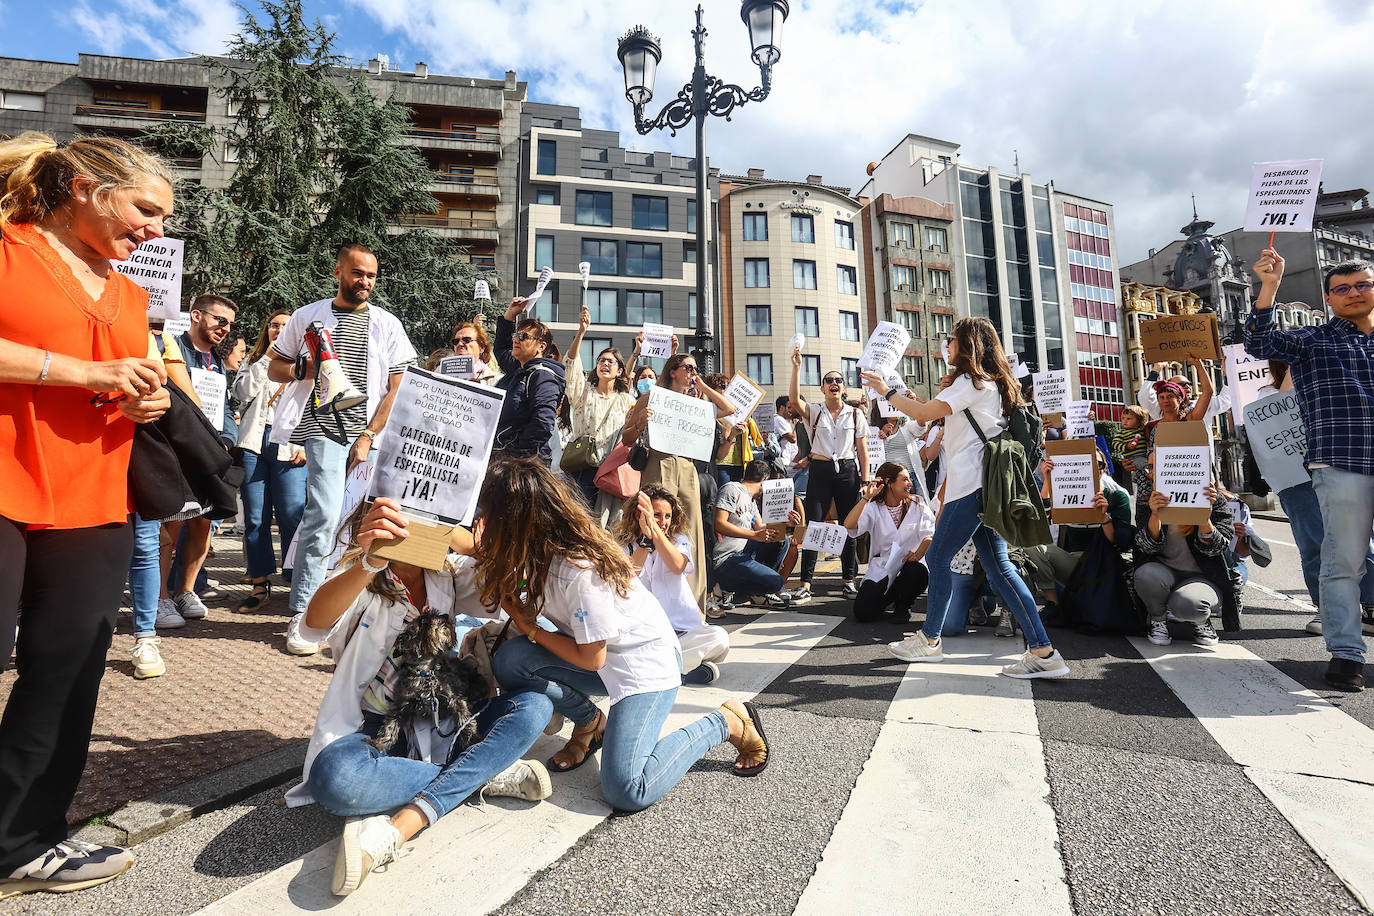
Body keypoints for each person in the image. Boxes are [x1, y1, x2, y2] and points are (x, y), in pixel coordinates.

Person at [0, 130, 174, 896]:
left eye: (165, 219)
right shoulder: (8, 248)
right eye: (147, 210)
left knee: (68, 671)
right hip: (3, 478)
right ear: (85, 189)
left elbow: (129, 384)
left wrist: (147, 401)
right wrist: (83, 371)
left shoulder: (132, 294)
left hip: (95, 496)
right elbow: (85, 370)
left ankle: (21, 844)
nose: (157, 230)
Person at [286, 498, 554, 897]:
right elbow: (311, 626)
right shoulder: (361, 573)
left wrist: (476, 547)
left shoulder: (445, 573)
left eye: (426, 515)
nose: (411, 522)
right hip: (375, 728)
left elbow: (511, 589)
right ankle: (484, 771)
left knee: (535, 705)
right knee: (335, 779)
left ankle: (432, 797)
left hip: (444, 718)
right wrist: (370, 561)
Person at [481, 459, 773, 810]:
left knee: (626, 789)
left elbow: (592, 658)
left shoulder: (577, 570)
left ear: (514, 522)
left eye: (487, 516)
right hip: (604, 658)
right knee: (510, 661)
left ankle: (726, 722)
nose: (480, 524)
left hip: (644, 666)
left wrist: (530, 627)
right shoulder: (536, 554)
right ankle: (591, 723)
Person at [864, 317, 1070, 679]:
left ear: (968, 346)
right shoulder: (991, 383)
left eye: (952, 339)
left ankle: (930, 639)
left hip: (970, 487)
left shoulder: (971, 383)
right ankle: (1043, 651)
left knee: (939, 557)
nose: (947, 344)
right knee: (999, 568)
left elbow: (925, 413)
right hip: (985, 487)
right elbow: (943, 414)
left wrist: (887, 391)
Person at [269, 243, 418, 657]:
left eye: (371, 275)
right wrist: (305, 368)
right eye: (357, 273)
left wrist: (369, 434)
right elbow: (275, 367)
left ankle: (351, 608)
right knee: (324, 513)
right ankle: (303, 612)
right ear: (338, 272)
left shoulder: (386, 323)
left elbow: (397, 387)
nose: (364, 281)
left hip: (371, 434)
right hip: (323, 428)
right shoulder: (307, 316)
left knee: (369, 522)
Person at [1245, 251, 1374, 690]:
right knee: (1343, 561)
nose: (1354, 293)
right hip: (1342, 461)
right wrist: (1269, 287)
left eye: (1363, 284)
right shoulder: (1312, 340)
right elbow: (1260, 344)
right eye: (1343, 288)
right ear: (1329, 299)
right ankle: (1347, 654)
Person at [1253, 360, 1374, 635]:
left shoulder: (1337, 386)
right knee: (1313, 543)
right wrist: (1298, 362)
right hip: (1296, 479)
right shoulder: (1266, 394)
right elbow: (1284, 404)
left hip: (1340, 469)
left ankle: (1371, 604)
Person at [620, 351, 738, 612]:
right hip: (659, 462)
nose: (692, 373)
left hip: (687, 468)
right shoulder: (652, 397)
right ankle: (649, 597)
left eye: (695, 369)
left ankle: (693, 602)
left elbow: (729, 409)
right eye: (688, 368)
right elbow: (627, 438)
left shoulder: (696, 402)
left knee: (690, 530)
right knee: (653, 525)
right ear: (672, 371)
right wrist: (640, 423)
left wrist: (702, 385)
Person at [615, 486, 728, 685]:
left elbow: (677, 566)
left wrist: (655, 532)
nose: (663, 522)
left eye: (667, 516)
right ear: (638, 515)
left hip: (681, 632)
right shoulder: (624, 546)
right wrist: (645, 541)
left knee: (719, 638)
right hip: (644, 635)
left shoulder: (678, 540)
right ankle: (681, 671)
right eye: (656, 515)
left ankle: (662, 670)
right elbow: (626, 579)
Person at [233, 309, 307, 612]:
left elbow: (314, 405)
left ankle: (294, 577)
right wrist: (267, 358)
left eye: (285, 326)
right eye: (274, 325)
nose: (278, 329)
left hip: (290, 444)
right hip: (254, 442)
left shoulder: (305, 364)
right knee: (255, 518)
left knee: (291, 513)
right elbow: (241, 393)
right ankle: (259, 584)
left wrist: (305, 444)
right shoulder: (254, 360)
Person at [787, 353, 871, 603]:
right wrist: (797, 367)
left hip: (847, 470)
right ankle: (805, 584)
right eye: (829, 380)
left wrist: (865, 482)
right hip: (820, 470)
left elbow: (862, 451)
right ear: (823, 388)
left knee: (848, 525)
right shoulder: (814, 412)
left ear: (843, 388)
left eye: (839, 380)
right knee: (814, 524)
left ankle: (848, 581)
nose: (834, 383)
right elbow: (794, 400)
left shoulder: (855, 415)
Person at [1131, 458, 1234, 648]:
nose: (1149, 472)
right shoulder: (1148, 500)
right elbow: (1145, 547)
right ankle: (1158, 619)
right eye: (1149, 467)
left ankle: (1201, 621)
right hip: (1164, 573)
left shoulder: (1213, 498)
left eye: (1154, 466)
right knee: (1145, 575)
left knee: (1188, 604)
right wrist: (1155, 514)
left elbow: (1217, 548)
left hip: (1203, 578)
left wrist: (1203, 514)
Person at [1028, 452, 1134, 614]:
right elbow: (1042, 516)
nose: (1092, 469)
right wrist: (1048, 479)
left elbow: (1121, 542)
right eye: (1086, 465)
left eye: (1097, 464)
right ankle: (1054, 607)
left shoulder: (1117, 497)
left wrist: (1104, 518)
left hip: (1107, 564)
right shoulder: (1066, 495)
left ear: (1104, 469)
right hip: (1076, 565)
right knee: (1033, 547)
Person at [562, 305, 634, 516]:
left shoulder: (627, 401)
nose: (604, 364)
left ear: (619, 371)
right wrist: (581, 331)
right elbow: (571, 365)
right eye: (601, 360)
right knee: (579, 518)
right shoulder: (584, 392)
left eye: (610, 361)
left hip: (612, 469)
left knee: (607, 522)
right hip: (583, 467)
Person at [843, 462, 935, 623]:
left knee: (917, 571)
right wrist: (866, 498)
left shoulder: (917, 504)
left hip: (910, 566)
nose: (910, 483)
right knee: (863, 613)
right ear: (889, 482)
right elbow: (849, 525)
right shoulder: (874, 507)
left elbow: (930, 535)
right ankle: (890, 595)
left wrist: (918, 553)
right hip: (883, 568)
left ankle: (903, 605)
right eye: (904, 479)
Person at [712, 459, 798, 607]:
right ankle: (725, 586)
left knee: (781, 540)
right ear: (765, 480)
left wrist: (786, 523)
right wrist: (753, 535)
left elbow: (761, 528)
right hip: (727, 557)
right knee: (775, 582)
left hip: (744, 553)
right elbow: (719, 523)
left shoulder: (751, 500)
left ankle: (756, 591)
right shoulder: (732, 489)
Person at [493, 298, 566, 464]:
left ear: (541, 346)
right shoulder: (520, 369)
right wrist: (509, 316)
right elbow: (501, 349)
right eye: (516, 335)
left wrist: (514, 453)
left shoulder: (543, 375)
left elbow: (543, 423)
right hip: (505, 461)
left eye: (523, 336)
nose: (516, 340)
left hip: (523, 466)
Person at [448, 319, 500, 385]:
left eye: (466, 340)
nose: (460, 344)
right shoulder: (440, 372)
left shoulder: (495, 381)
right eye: (456, 341)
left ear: (481, 347)